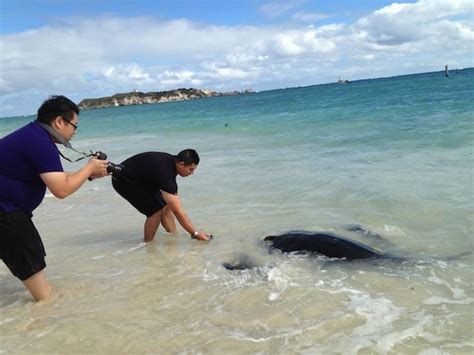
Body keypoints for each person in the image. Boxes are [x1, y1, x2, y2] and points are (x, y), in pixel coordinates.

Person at [0, 95, 109, 302]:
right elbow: (61, 190)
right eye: (74, 126)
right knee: (44, 296)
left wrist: (88, 174)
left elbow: (55, 178)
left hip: (7, 209)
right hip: (6, 211)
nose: (74, 132)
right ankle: (46, 321)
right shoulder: (40, 143)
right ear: (59, 121)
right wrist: (88, 168)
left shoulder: (33, 136)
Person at [111, 150, 212, 242]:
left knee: (166, 206)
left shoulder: (171, 163)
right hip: (123, 180)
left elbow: (171, 206)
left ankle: (174, 236)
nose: (192, 173)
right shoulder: (166, 176)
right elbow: (178, 212)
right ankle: (148, 244)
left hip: (142, 178)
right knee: (155, 211)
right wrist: (195, 233)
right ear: (181, 164)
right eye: (190, 169)